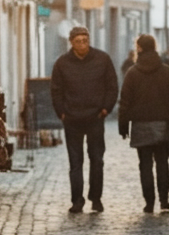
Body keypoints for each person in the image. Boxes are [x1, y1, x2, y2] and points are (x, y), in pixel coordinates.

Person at [50, 25, 119, 213]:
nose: (82, 44)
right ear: (71, 43)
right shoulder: (62, 63)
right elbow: (56, 90)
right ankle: (77, 200)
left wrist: (106, 108)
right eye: (78, 41)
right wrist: (62, 112)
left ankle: (96, 199)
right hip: (71, 119)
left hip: (95, 117)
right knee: (75, 161)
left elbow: (112, 86)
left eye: (85, 40)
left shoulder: (102, 59)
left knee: (97, 159)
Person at [119, 35, 169, 213]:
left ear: (139, 48)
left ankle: (149, 202)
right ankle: (164, 200)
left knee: (145, 164)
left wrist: (123, 125)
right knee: (163, 162)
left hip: (140, 124)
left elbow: (125, 101)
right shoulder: (167, 72)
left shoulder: (132, 73)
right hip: (163, 123)